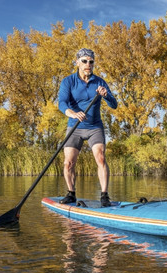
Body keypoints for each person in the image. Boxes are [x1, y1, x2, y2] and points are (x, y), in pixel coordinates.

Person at [57, 48, 118, 207]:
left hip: (94, 127)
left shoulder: (100, 82)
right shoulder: (68, 81)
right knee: (68, 163)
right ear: (77, 62)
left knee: (101, 157)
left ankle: (104, 196)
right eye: (84, 61)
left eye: (91, 61)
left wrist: (106, 95)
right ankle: (71, 194)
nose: (88, 64)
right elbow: (62, 103)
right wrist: (72, 113)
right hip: (74, 126)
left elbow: (114, 105)